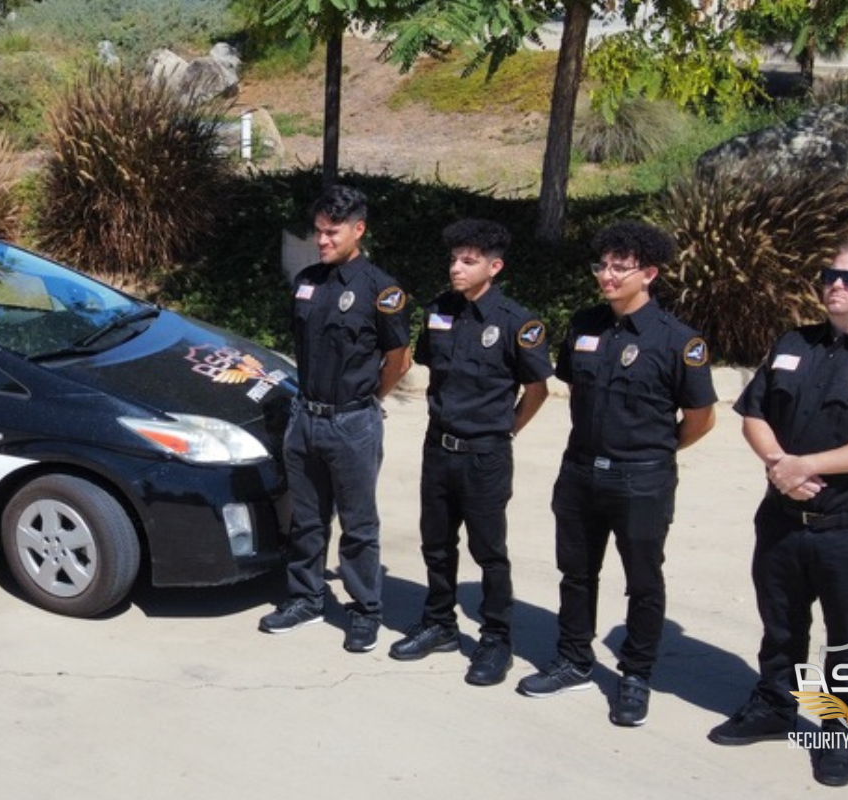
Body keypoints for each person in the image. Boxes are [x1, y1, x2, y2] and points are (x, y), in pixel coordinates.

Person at [708, 240, 848, 787]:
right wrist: (779, 464)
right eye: (830, 274)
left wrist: (804, 463)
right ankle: (774, 707)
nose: (835, 284)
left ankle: (841, 736)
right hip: (783, 520)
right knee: (780, 626)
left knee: (847, 637)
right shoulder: (794, 344)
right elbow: (754, 414)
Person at [516, 220, 716, 728]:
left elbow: (700, 419)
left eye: (619, 267)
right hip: (580, 472)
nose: (606, 275)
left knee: (642, 582)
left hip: (641, 480)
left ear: (648, 273)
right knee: (576, 574)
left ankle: (635, 675)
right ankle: (574, 659)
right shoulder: (584, 325)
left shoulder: (679, 341)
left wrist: (655, 453)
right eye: (601, 265)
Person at [387, 219, 550, 686]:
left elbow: (537, 389)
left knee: (489, 551)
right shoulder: (439, 311)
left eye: (469, 260)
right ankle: (439, 623)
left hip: (485, 454)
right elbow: (426, 368)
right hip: (438, 448)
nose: (456, 268)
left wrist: (506, 431)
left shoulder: (518, 322)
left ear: (493, 267)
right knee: (435, 543)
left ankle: (497, 639)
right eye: (454, 258)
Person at [259, 185, 412, 652]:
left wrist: (365, 401)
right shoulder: (307, 281)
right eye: (319, 231)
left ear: (358, 230)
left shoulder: (381, 290)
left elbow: (398, 359)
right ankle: (306, 597)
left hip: (352, 423)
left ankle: (365, 610)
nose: (322, 240)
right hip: (304, 418)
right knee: (307, 519)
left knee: (358, 524)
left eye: (333, 232)